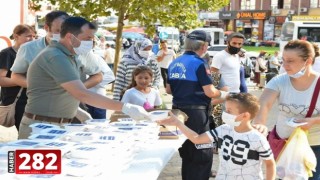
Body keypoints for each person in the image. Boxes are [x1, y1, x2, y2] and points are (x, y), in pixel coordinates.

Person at [18, 17, 150, 139]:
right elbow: (82, 94)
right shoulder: (56, 57)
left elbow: (55, 91)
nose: (91, 42)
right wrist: (125, 107)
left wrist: (77, 111)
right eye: (87, 38)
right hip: (41, 128)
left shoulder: (70, 56)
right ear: (71, 37)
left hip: (57, 125)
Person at [158, 93, 276, 180]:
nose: (225, 113)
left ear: (245, 115)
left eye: (229, 111)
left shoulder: (258, 138)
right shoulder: (223, 130)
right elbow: (197, 139)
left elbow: (270, 164)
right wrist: (178, 123)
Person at [253, 40, 320, 180]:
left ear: (307, 61)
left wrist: (313, 121)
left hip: (314, 147)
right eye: (283, 60)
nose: (284, 65)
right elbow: (264, 104)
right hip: (283, 144)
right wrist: (260, 123)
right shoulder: (279, 80)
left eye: (290, 61)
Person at [166, 30, 228, 180]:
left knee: (187, 152)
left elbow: (168, 90)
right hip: (197, 114)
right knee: (202, 154)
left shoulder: (174, 62)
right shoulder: (200, 63)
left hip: (178, 113)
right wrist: (224, 95)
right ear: (204, 46)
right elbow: (210, 92)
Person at [0, 24, 35, 130]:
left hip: (33, 99)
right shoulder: (7, 54)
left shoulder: (33, 53)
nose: (32, 39)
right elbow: (1, 80)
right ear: (16, 36)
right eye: (28, 36)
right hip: (17, 101)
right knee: (25, 134)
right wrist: (22, 80)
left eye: (34, 36)